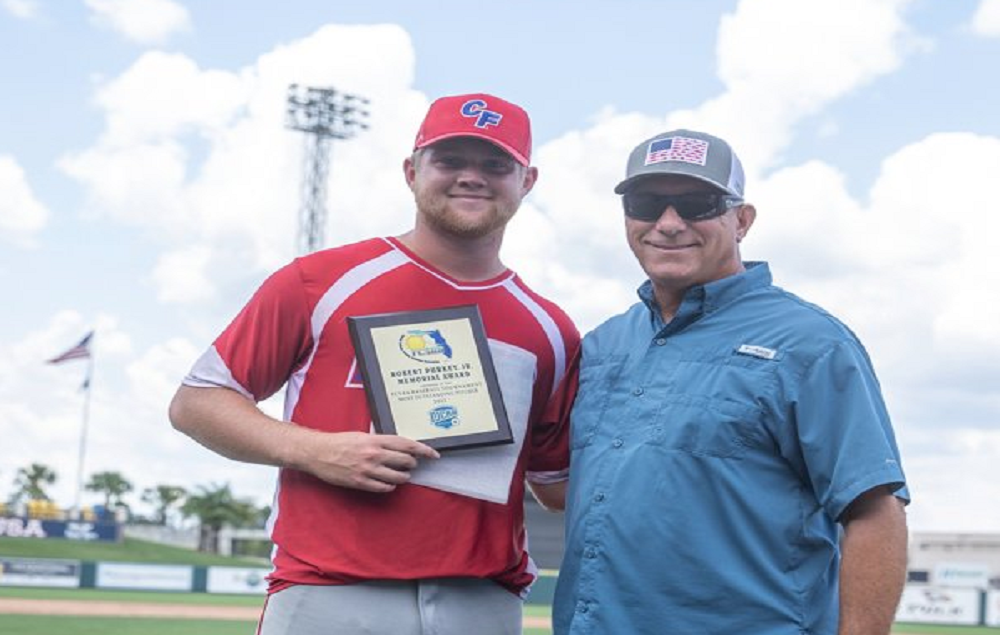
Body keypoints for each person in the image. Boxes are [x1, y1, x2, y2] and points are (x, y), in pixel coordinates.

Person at [169, 93, 579, 635]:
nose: (471, 178)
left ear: (526, 181)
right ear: (412, 172)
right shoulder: (321, 281)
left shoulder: (550, 330)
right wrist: (314, 449)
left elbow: (555, 485)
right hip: (330, 592)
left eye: (495, 165)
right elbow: (195, 402)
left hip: (480, 601)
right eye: (450, 161)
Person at [551, 129, 909, 634]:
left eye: (697, 203)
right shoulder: (603, 345)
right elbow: (559, 486)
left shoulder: (810, 343)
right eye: (647, 202)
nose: (669, 223)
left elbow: (875, 511)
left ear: (741, 220)